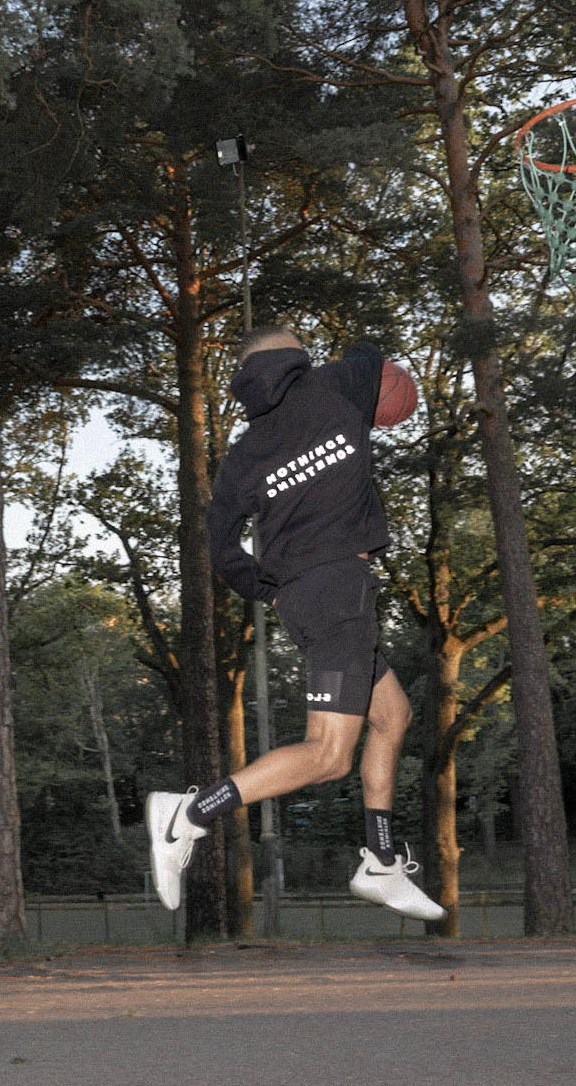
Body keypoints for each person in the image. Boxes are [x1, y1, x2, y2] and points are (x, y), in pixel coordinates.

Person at [145, 324, 444, 922]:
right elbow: (370, 350)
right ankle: (189, 814)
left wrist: (271, 589)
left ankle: (381, 861)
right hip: (336, 591)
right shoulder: (340, 385)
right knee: (329, 754)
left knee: (393, 716)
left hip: (309, 597)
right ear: (298, 355)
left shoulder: (243, 457)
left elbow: (220, 549)